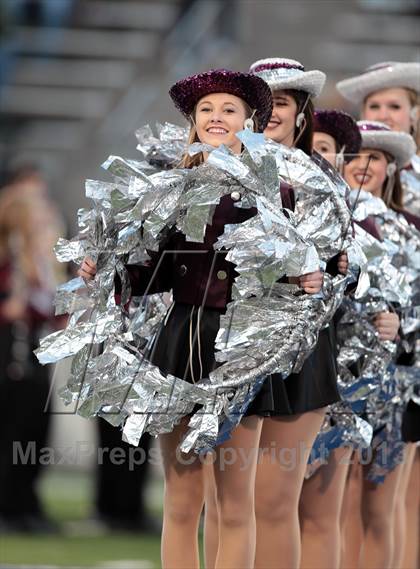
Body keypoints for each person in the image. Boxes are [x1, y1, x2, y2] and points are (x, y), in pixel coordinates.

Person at [79, 68, 325, 569]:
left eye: (229, 110)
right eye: (206, 110)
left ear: (250, 122)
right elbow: (153, 273)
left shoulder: (276, 192)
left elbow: (295, 266)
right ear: (192, 122)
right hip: (180, 341)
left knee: (235, 503)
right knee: (182, 499)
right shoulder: (171, 187)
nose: (216, 118)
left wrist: (307, 274)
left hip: (242, 347)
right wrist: (108, 269)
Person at [245, 57, 348, 569]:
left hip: (300, 350)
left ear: (302, 113)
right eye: (260, 102)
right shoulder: (219, 168)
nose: (269, 113)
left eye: (280, 102)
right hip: (230, 351)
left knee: (273, 500)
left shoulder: (323, 180)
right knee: (228, 503)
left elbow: (341, 270)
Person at [338, 62, 420, 568]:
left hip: (408, 356)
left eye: (395, 106)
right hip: (352, 359)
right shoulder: (338, 187)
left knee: (402, 494)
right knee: (347, 495)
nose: (385, 114)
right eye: (375, 107)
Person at [298, 109, 362, 569]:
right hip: (259, 360)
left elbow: (355, 277)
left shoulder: (341, 206)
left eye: (325, 151)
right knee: (259, 505)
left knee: (323, 513)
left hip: (332, 365)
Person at [0, 163, 65, 533]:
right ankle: (9, 506)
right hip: (10, 353)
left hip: (35, 353)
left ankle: (26, 503)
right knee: (13, 432)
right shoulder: (9, 260)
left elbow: (52, 310)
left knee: (34, 431)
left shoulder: (40, 262)